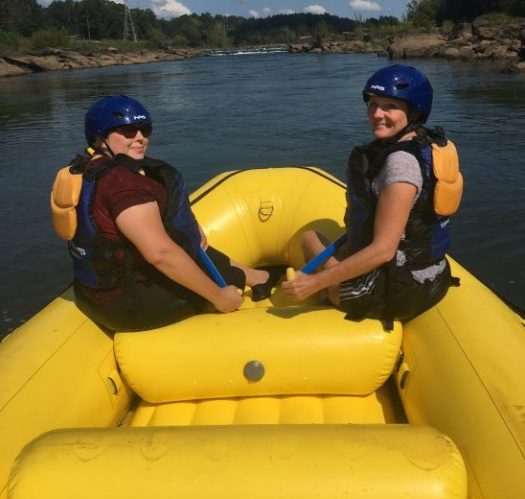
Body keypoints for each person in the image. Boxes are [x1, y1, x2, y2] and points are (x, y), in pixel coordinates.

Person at [51, 95, 277, 331]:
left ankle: (257, 276)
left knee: (193, 245)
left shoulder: (84, 171)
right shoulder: (124, 184)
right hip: (130, 307)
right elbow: (160, 254)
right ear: (99, 137)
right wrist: (219, 297)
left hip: (92, 294)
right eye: (128, 131)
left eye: (145, 129)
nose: (140, 138)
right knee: (202, 268)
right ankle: (252, 279)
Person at [282, 64, 462, 327]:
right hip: (431, 276)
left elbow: (383, 251)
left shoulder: (400, 165)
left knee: (310, 240)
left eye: (390, 106)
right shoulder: (425, 145)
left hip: (394, 292)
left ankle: (328, 296)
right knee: (321, 241)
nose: (376, 114)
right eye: (373, 104)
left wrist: (314, 283)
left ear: (413, 111)